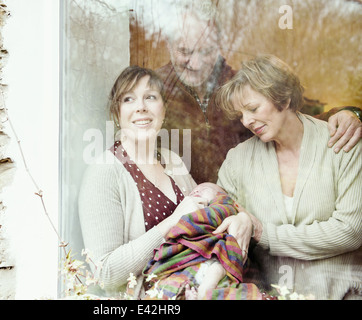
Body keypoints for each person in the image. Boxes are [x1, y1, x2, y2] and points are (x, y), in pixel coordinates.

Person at [156, 0, 362, 184]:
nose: (196, 63)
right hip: (180, 209)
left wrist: (347, 113)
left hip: (243, 204)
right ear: (167, 43)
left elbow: (297, 112)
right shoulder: (154, 90)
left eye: (206, 51)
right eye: (185, 51)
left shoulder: (241, 85)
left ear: (218, 45)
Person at [214, 54, 362, 299]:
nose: (247, 121)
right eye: (241, 114)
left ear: (282, 97)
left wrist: (265, 234)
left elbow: (350, 230)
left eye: (252, 109)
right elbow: (221, 229)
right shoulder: (237, 160)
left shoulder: (341, 142)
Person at [78, 66, 202, 299]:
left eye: (150, 97)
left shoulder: (171, 160)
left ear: (163, 109)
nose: (141, 107)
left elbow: (205, 214)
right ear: (117, 113)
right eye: (129, 99)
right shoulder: (104, 171)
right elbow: (106, 273)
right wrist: (172, 223)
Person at [143, 182, 261, 300]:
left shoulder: (223, 205)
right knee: (169, 285)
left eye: (204, 189)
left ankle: (203, 291)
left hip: (218, 257)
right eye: (192, 192)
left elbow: (225, 211)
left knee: (217, 269)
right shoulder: (185, 210)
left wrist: (242, 217)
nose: (196, 191)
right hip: (189, 263)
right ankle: (189, 293)